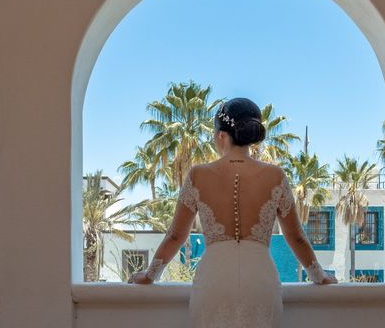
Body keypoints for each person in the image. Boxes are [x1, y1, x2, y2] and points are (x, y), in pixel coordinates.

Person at [128, 97, 337, 326]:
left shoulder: (198, 175)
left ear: (220, 135)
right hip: (260, 282)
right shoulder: (275, 176)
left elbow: (176, 236)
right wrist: (320, 276)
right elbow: (296, 236)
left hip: (213, 282)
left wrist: (150, 275)